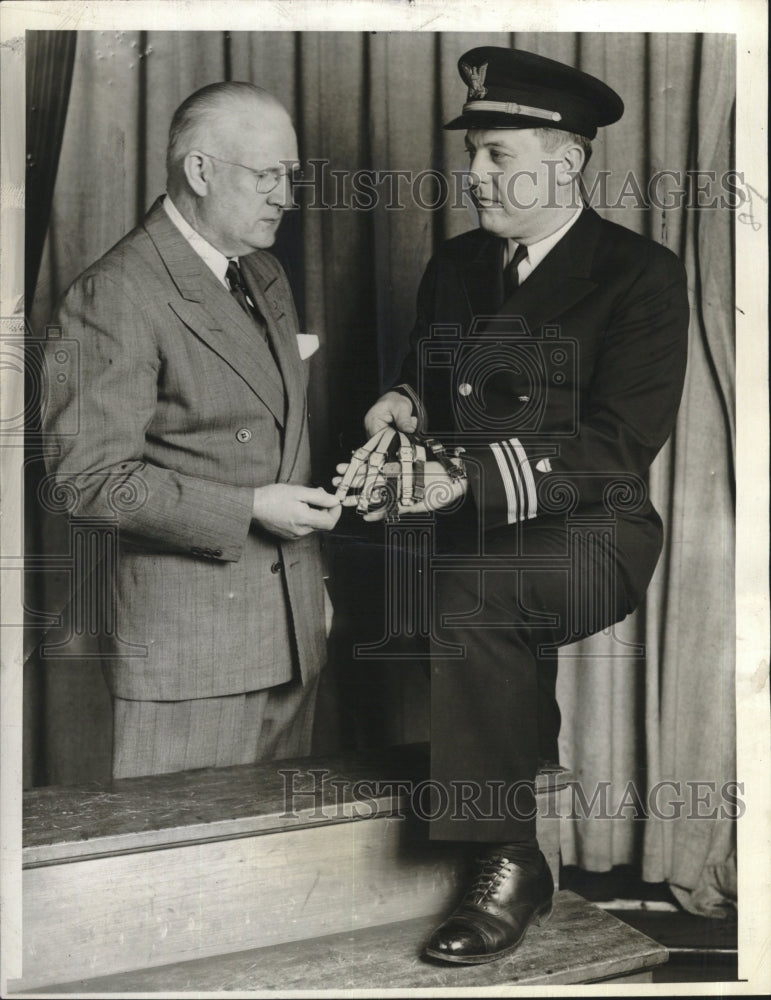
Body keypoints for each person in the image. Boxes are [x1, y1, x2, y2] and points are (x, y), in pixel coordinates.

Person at [336, 47, 689, 964]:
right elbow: (430, 372)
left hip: (589, 533)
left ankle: (504, 857)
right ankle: (490, 828)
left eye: (497, 157)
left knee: (471, 601)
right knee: (391, 582)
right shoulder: (456, 264)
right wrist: (403, 404)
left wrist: (467, 479)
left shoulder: (639, 276)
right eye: (474, 156)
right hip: (472, 523)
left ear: (565, 163)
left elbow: (619, 446)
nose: (475, 175)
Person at [43, 82, 341, 779]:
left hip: (292, 630)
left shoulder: (262, 272)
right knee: (180, 878)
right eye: (267, 176)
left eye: (290, 177)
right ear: (201, 170)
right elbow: (86, 483)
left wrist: (311, 592)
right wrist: (247, 510)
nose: (286, 197)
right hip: (190, 653)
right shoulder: (114, 292)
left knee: (273, 867)